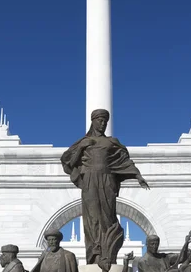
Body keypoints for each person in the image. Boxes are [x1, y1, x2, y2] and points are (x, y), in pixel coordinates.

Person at [61, 109, 149, 264]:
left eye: (105, 121)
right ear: (93, 121)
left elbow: (124, 160)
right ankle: (94, 255)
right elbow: (69, 162)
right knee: (92, 217)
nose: (102, 124)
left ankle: (108, 255)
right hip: (89, 181)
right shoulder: (83, 142)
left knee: (108, 217)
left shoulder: (111, 142)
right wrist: (81, 147)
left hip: (107, 181)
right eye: (99, 120)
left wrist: (137, 175)